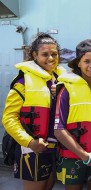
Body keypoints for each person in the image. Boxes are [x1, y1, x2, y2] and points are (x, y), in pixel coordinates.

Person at [2, 32, 66, 190]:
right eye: (45, 54)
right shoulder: (22, 83)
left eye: (54, 54)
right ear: (34, 55)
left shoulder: (62, 81)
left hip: (55, 149)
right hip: (32, 149)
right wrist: (30, 142)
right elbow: (9, 119)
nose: (50, 58)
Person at [54, 39, 91, 190]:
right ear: (78, 63)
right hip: (73, 156)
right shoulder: (66, 89)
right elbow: (58, 129)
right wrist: (85, 156)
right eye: (86, 61)